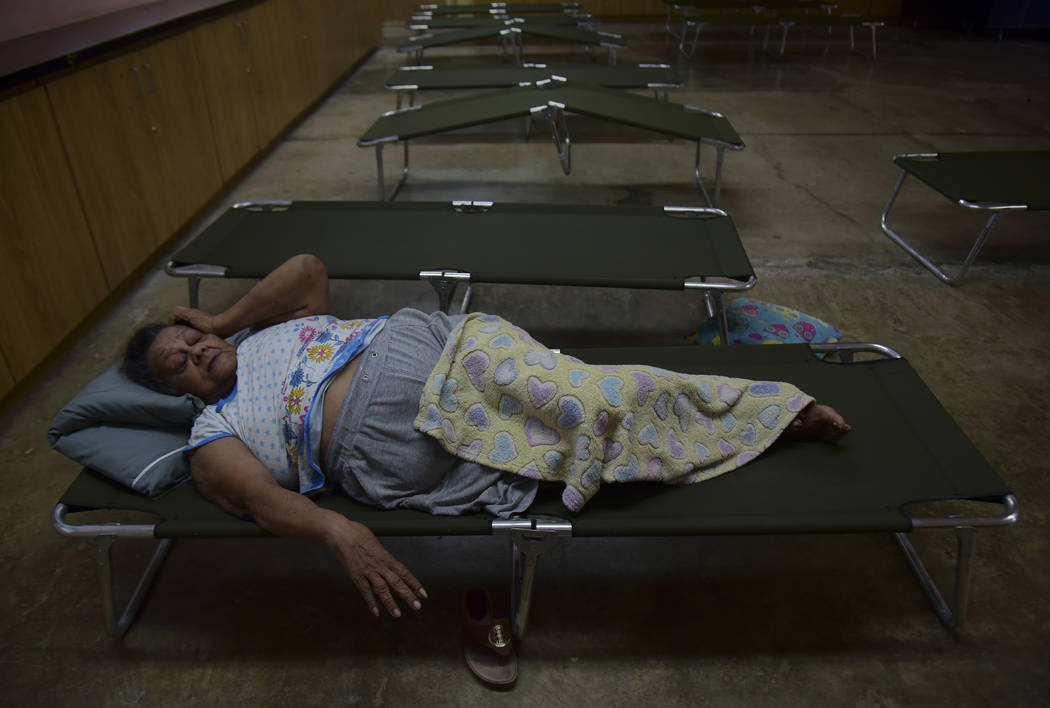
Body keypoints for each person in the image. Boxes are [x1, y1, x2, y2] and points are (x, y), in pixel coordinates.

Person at [123, 254, 850, 620]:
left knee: (604, 393)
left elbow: (308, 268)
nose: (195, 355)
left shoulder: (261, 329)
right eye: (177, 364)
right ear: (173, 391)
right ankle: (739, 431)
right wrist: (337, 533)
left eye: (190, 340)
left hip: (447, 350)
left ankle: (773, 413)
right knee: (587, 438)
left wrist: (217, 319)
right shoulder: (212, 434)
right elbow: (257, 502)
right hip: (400, 443)